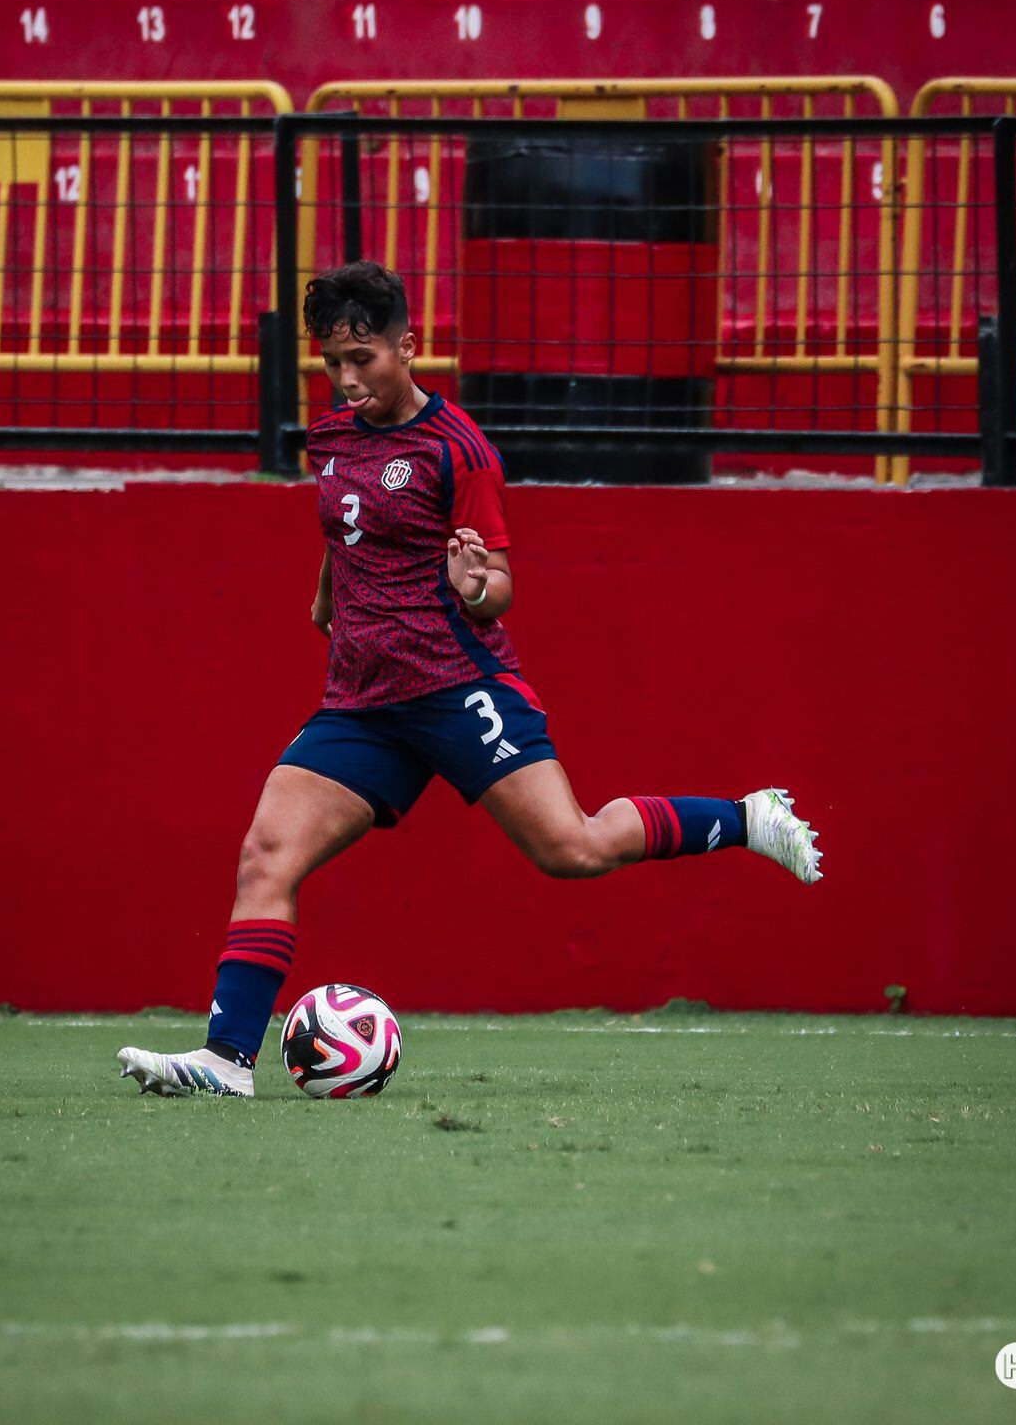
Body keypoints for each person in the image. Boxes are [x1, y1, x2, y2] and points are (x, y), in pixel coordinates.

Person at [117, 261, 822, 1098]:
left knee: (573, 847)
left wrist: (472, 583)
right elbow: (348, 532)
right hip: (362, 705)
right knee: (266, 855)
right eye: (332, 362)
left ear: (407, 346)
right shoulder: (332, 438)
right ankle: (227, 1061)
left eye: (364, 358)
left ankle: (747, 818)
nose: (347, 379)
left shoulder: (459, 449)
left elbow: (502, 588)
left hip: (459, 687)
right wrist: (325, 596)